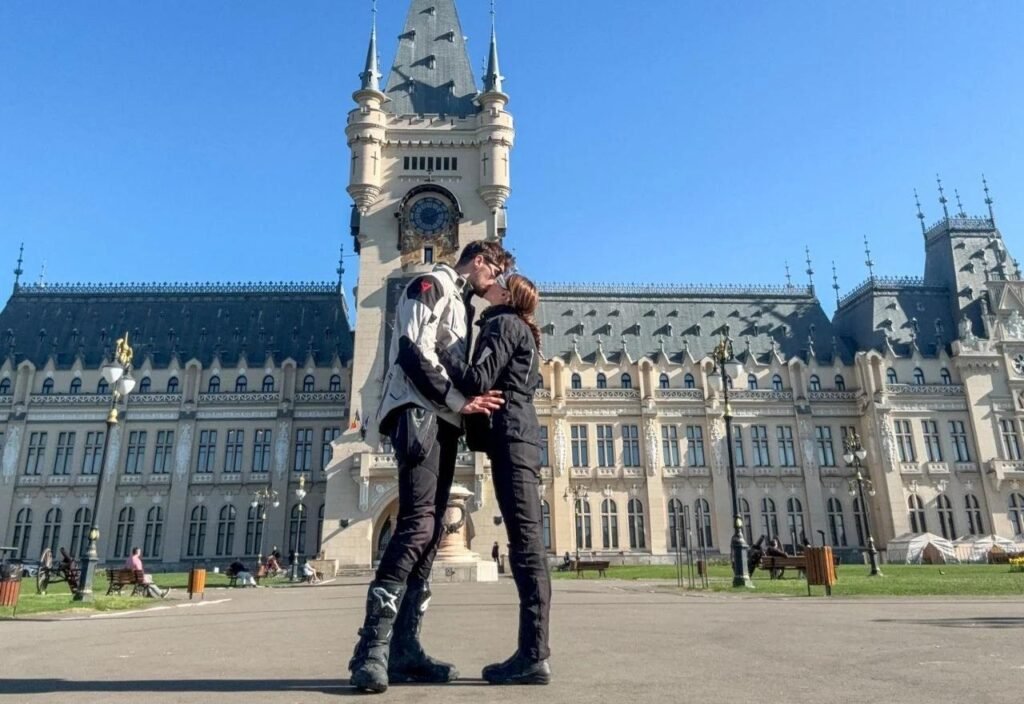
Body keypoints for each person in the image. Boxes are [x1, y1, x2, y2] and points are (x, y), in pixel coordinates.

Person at [348, 240, 511, 694]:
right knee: (418, 524)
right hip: (417, 412)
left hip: (442, 421)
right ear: (479, 260)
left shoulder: (460, 300)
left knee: (433, 530)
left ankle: (405, 648)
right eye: (495, 270)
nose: (495, 280)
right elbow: (411, 350)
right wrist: (460, 400)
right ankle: (370, 650)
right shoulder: (430, 284)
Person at [437, 272, 552, 685]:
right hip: (519, 438)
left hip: (511, 439)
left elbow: (477, 379)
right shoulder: (520, 328)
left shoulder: (504, 323)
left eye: (502, 280)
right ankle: (531, 652)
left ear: (508, 295)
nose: (494, 281)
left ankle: (533, 655)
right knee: (526, 544)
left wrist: (442, 350)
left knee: (526, 547)